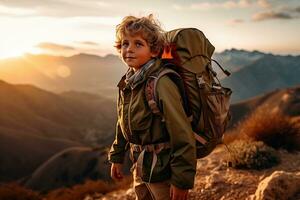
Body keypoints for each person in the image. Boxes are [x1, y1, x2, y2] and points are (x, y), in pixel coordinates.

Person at [108, 14, 196, 200]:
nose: (129, 49)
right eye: (125, 43)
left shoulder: (161, 83)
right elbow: (123, 120)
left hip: (164, 171)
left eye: (138, 44)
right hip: (141, 167)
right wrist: (117, 156)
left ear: (154, 51)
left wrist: (181, 180)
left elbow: (182, 133)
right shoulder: (129, 81)